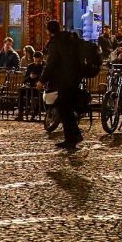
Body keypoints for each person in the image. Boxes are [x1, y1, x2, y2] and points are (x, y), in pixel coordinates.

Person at [41, 20, 86, 151]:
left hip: (64, 81)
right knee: (66, 109)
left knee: (64, 109)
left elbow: (51, 64)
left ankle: (72, 139)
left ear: (49, 31)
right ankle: (73, 136)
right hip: (74, 78)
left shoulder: (56, 43)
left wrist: (42, 80)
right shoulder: (69, 40)